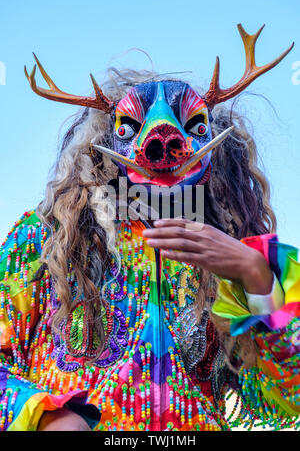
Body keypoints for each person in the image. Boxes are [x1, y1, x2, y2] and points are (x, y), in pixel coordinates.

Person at [0, 24, 299, 432]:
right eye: (129, 126)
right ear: (107, 140)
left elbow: (291, 398)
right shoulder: (46, 238)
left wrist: (258, 275)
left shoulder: (236, 257)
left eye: (192, 125)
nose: (162, 141)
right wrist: (48, 415)